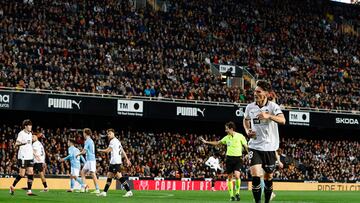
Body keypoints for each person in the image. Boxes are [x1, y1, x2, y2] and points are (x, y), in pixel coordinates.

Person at [243, 80, 286, 203]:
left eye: (258, 91)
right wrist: (247, 130)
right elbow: (245, 120)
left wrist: (269, 116)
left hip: (269, 147)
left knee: (268, 177)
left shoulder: (273, 107)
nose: (255, 93)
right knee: (256, 175)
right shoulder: (250, 107)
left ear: (266, 93)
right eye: (255, 91)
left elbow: (283, 120)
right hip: (255, 146)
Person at [200, 121, 248, 201]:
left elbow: (246, 146)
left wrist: (249, 154)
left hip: (238, 159)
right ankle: (231, 196)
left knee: (237, 176)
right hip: (229, 159)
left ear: (231, 129)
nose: (225, 131)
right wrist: (206, 142)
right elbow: (217, 143)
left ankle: (237, 193)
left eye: (227, 129)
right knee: (229, 177)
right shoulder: (226, 138)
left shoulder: (240, 136)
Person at [97, 128, 133, 197]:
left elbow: (108, 150)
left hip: (116, 162)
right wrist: (127, 159)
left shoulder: (113, 141)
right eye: (108, 134)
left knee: (119, 176)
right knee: (109, 176)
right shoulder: (117, 141)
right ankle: (104, 192)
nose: (108, 135)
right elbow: (122, 151)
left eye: (110, 133)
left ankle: (129, 191)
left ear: (113, 133)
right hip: (113, 162)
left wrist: (100, 150)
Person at [10, 119, 36, 196]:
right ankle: (12, 186)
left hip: (30, 156)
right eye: (29, 125)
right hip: (23, 157)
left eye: (31, 125)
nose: (30, 127)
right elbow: (16, 144)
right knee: (22, 174)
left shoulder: (30, 134)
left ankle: (29, 190)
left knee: (31, 172)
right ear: (25, 126)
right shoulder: (21, 133)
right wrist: (23, 143)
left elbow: (30, 144)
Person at [76, 128, 100, 193]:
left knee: (93, 174)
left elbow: (84, 151)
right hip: (89, 160)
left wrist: (78, 154)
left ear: (85, 133)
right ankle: (84, 187)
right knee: (82, 172)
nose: (83, 134)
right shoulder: (90, 140)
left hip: (91, 160)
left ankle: (97, 189)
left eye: (83, 133)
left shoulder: (87, 141)